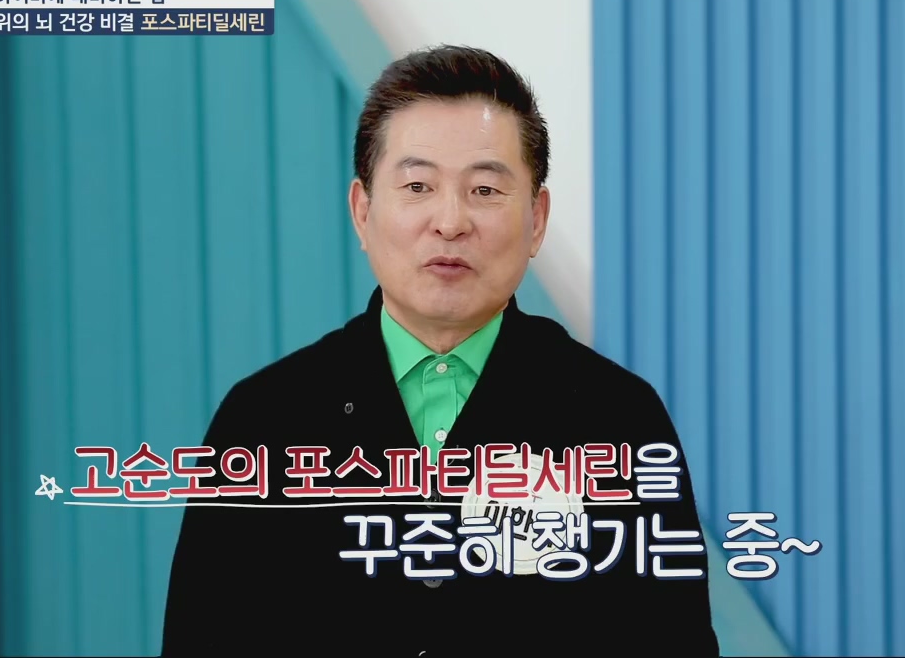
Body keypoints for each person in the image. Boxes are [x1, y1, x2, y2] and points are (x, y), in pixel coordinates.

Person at [161, 45, 720, 656]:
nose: (450, 222)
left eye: (485, 189)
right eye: (417, 185)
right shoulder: (264, 419)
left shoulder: (618, 416)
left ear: (536, 219)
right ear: (363, 212)